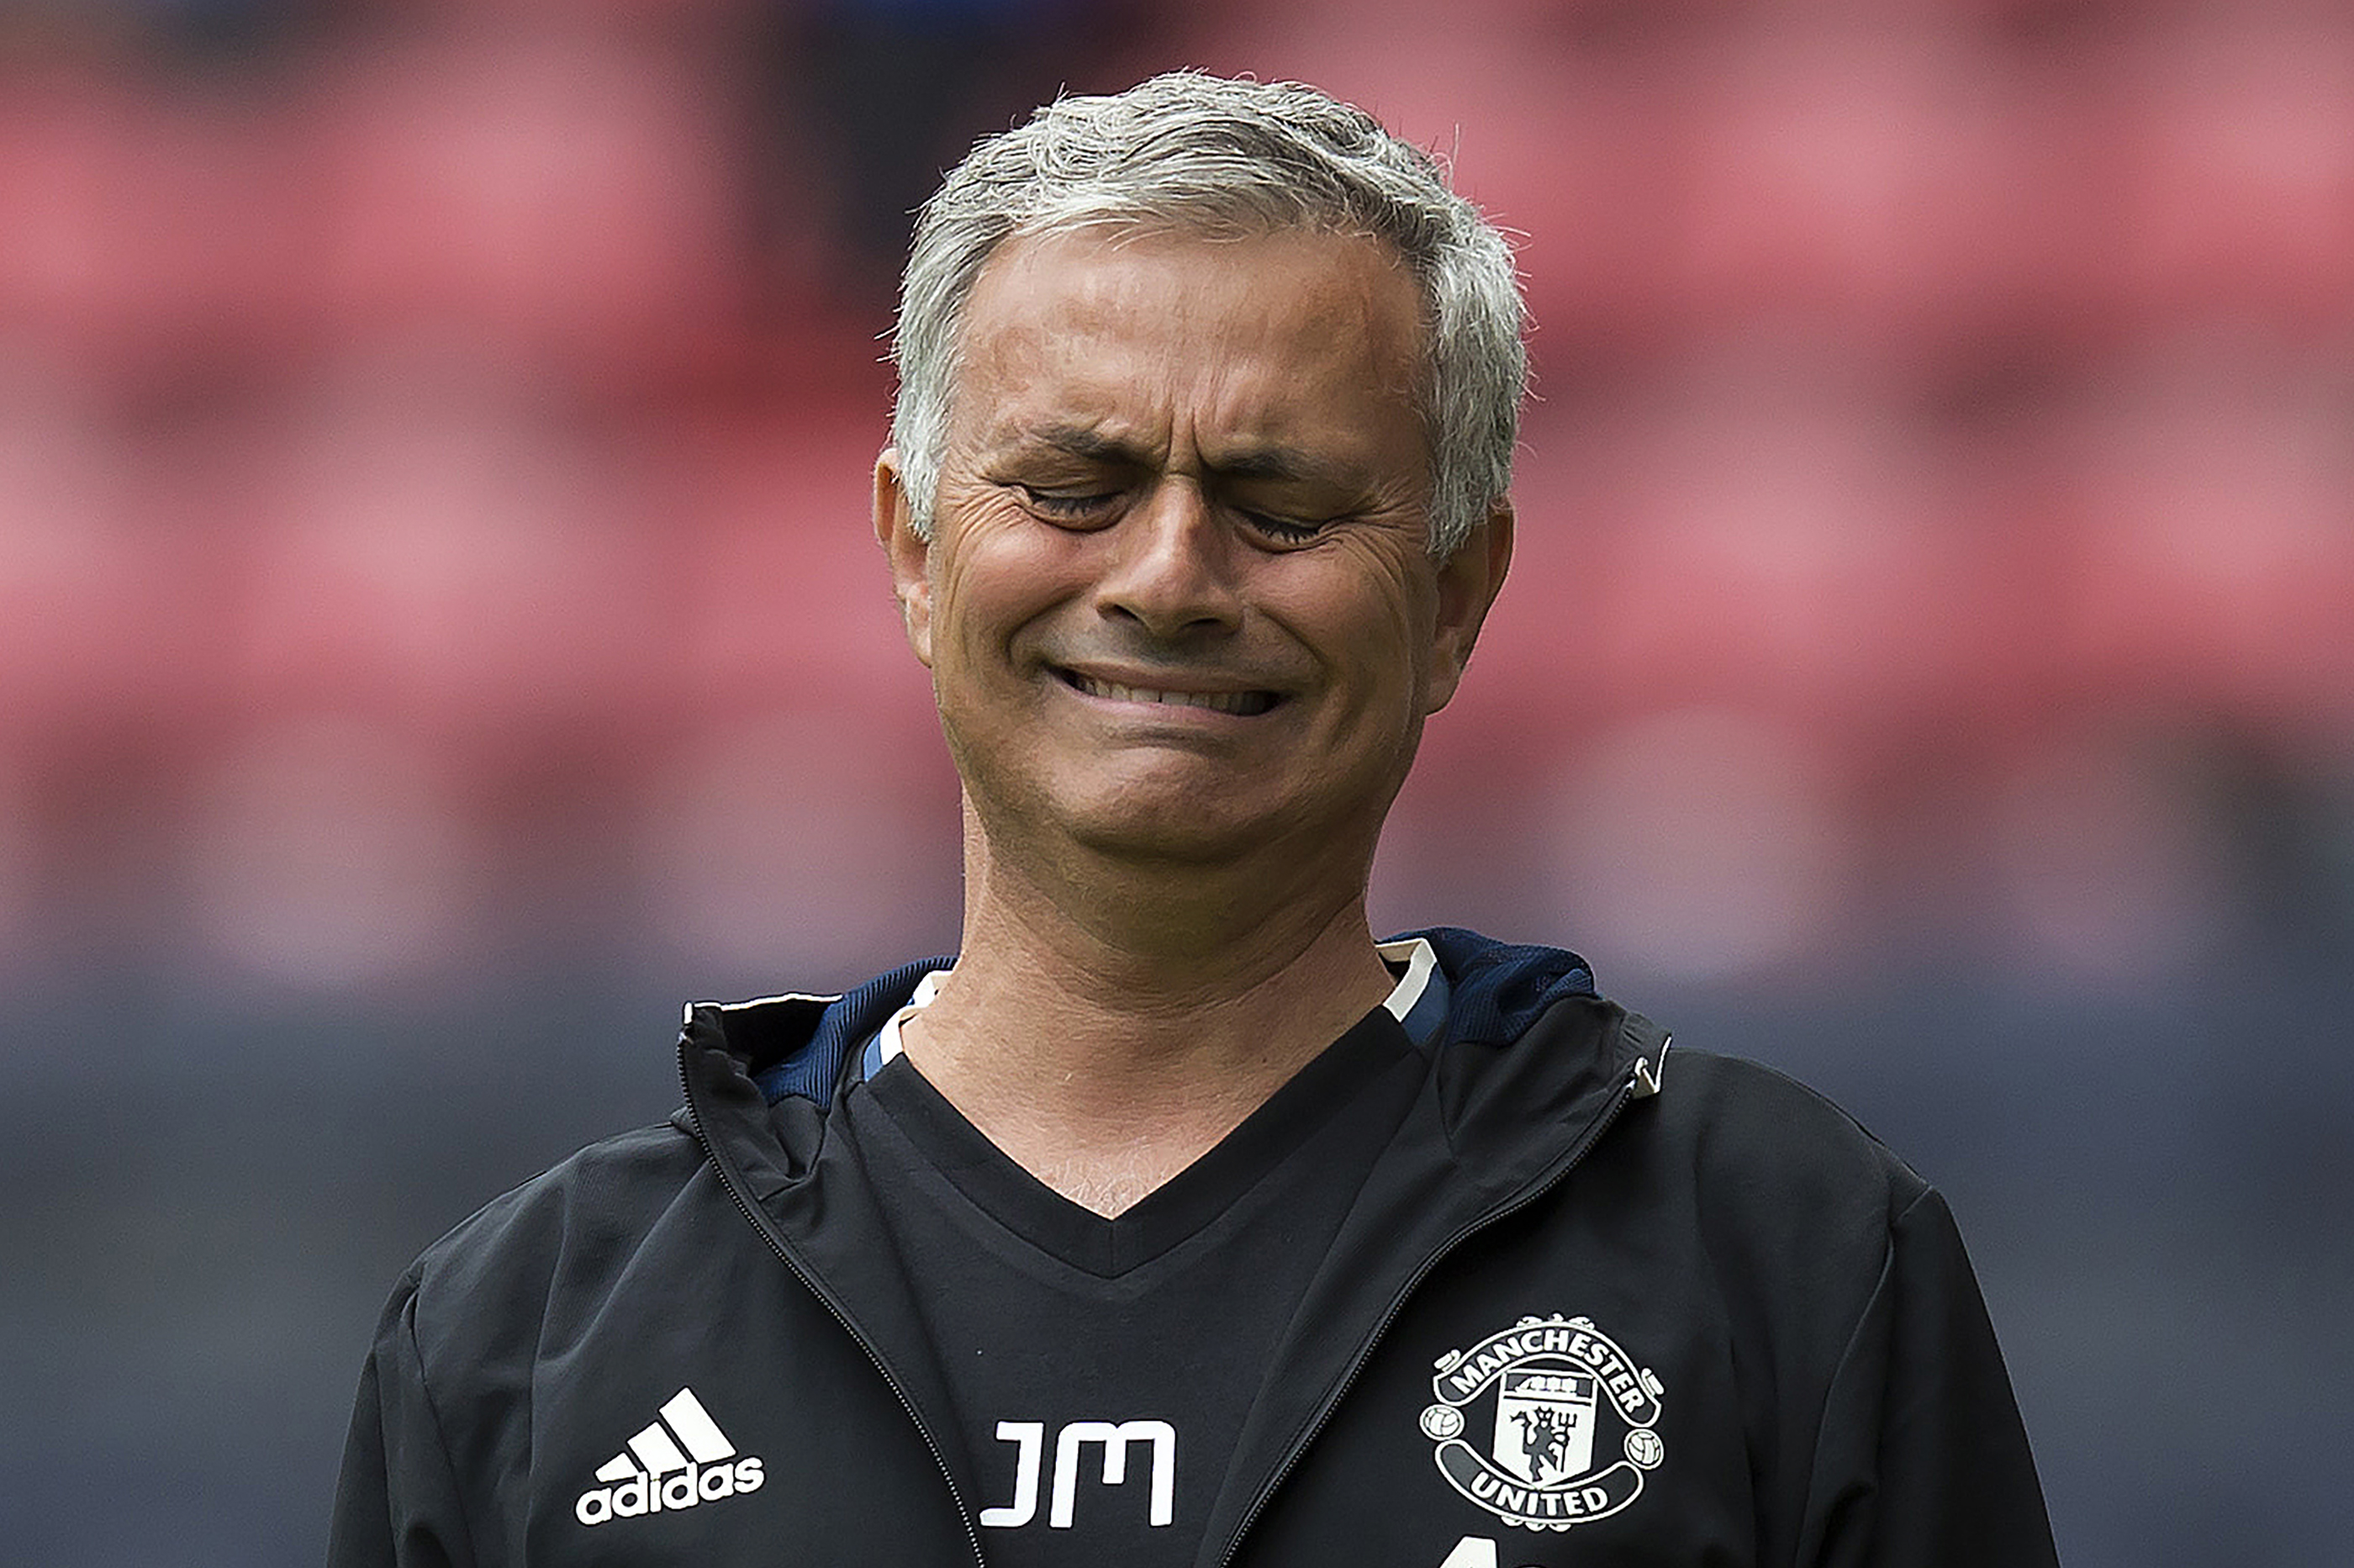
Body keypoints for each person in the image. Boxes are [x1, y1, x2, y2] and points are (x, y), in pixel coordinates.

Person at [330, 71, 2059, 1568]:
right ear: (915, 555)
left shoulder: (1785, 1259)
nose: (1166, 577)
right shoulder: (526, 1335)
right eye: (1073, 486)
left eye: (1280, 503)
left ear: (1455, 596)